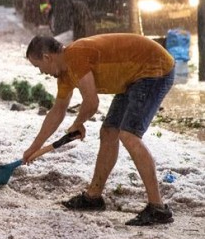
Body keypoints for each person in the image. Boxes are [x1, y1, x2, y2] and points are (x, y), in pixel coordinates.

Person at [23, 34, 175, 226]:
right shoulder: (64, 74)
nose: (41, 72)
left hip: (154, 68)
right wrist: (34, 148)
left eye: (38, 67)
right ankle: (93, 197)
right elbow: (57, 111)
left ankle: (157, 208)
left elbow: (92, 102)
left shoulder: (75, 56)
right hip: (132, 78)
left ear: (47, 57)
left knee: (129, 134)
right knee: (109, 131)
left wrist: (78, 123)